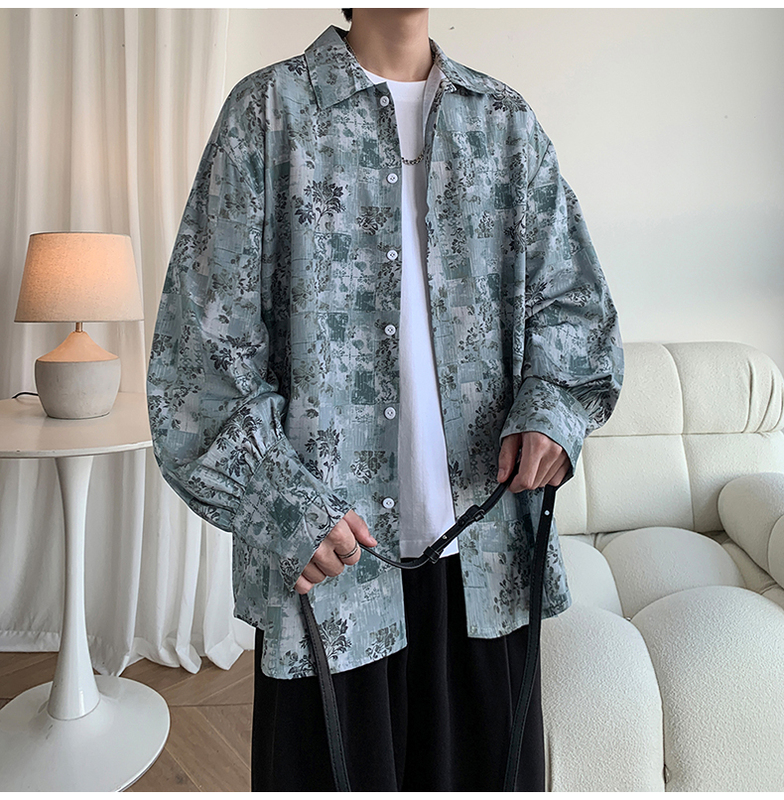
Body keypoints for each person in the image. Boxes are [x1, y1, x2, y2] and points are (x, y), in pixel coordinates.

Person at [147, 7, 624, 792]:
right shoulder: (268, 114)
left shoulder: (504, 123)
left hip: (485, 563)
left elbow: (574, 309)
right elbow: (199, 363)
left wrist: (552, 414)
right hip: (329, 572)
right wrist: (283, 503)